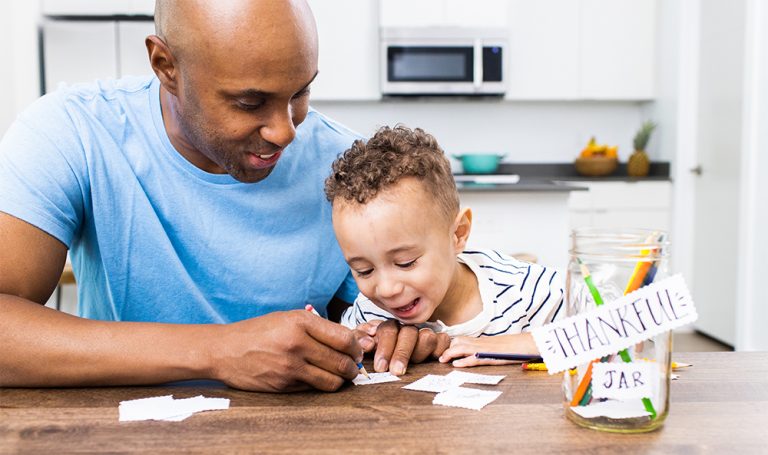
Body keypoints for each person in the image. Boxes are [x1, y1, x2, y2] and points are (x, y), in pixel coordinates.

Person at [0, 0, 446, 392]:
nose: (285, 131)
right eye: (249, 103)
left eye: (300, 92)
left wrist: (397, 331)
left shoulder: (348, 170)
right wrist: (219, 351)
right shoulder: (73, 133)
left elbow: (382, 313)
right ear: (165, 65)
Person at [324, 125, 564, 369]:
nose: (386, 290)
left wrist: (521, 344)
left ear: (458, 234)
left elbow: (604, 325)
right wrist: (355, 347)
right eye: (364, 270)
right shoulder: (369, 313)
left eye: (406, 262)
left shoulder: (526, 292)